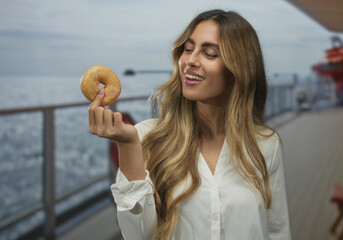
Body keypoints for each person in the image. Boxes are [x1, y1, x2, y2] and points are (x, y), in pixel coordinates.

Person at [88, 9, 291, 240]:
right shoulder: (145, 137)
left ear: (238, 70)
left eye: (210, 53)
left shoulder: (266, 144)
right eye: (188, 48)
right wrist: (127, 146)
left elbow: (277, 230)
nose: (190, 61)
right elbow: (138, 236)